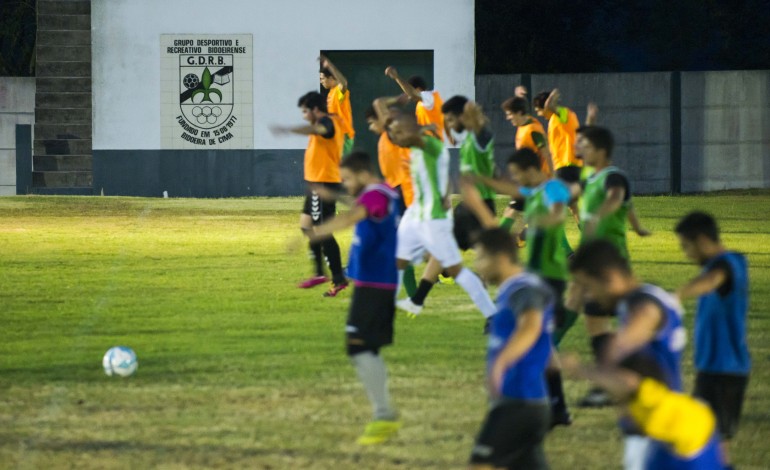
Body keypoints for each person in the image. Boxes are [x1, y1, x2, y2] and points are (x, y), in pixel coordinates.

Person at [462, 147, 574, 428]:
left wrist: (538, 223)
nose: (515, 179)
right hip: (535, 274)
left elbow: (559, 213)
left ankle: (551, 405)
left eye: (516, 173)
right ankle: (556, 407)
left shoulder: (553, 189)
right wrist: (481, 181)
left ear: (529, 169)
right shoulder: (533, 193)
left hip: (551, 275)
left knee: (545, 344)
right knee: (546, 345)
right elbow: (508, 188)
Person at [307, 151, 402, 445]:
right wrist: (332, 194)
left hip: (376, 286)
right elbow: (363, 207)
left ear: (362, 173)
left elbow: (356, 214)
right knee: (365, 347)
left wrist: (317, 232)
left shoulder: (376, 195)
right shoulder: (380, 194)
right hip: (373, 284)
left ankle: (384, 414)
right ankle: (384, 412)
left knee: (358, 345)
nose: (346, 185)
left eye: (347, 179)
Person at [569, 239, 686, 470]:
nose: (588, 298)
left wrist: (587, 367)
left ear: (609, 277)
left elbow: (643, 321)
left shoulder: (643, 304)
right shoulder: (644, 297)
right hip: (654, 420)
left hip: (657, 426)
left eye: (588, 287)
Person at [385, 113, 496, 320]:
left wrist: (446, 195)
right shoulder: (415, 150)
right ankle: (388, 308)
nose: (395, 138)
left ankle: (492, 314)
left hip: (434, 219)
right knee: (398, 260)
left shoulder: (430, 146)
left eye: (398, 133)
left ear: (410, 130)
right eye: (393, 135)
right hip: (416, 214)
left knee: (456, 270)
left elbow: (441, 166)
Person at [468, 228, 554, 470]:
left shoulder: (523, 288)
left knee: (481, 464)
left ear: (501, 257)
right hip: (529, 401)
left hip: (519, 400)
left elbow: (531, 325)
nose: (478, 265)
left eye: (481, 257)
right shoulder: (514, 288)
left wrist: (501, 363)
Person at [675, 211, 750, 470]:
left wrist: (676, 296)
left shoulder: (730, 264)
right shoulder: (718, 265)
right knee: (710, 445)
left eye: (687, 247)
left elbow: (712, 281)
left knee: (711, 444)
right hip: (713, 370)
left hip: (724, 371)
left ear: (703, 240)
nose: (687, 254)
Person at [562, 357, 725, 470]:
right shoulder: (649, 402)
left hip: (689, 455)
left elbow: (628, 382)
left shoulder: (651, 396)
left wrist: (581, 370)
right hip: (691, 446)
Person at [270, 91, 348, 297]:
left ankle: (338, 279)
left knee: (322, 230)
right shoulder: (322, 124)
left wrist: (288, 130)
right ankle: (320, 273)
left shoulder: (329, 123)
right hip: (316, 183)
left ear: (315, 109)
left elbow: (323, 129)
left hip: (325, 183)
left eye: (305, 111)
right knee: (306, 226)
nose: (304, 115)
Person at [365, 102, 418, 298]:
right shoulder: (384, 139)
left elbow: (379, 104)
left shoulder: (390, 135)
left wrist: (399, 94)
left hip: (406, 194)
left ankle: (410, 297)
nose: (371, 128)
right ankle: (413, 296)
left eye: (372, 122)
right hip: (398, 193)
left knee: (401, 248)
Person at [384, 66, 446, 141]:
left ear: (418, 89)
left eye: (408, 92)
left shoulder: (430, 97)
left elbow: (412, 94)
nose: (409, 97)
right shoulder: (420, 104)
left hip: (435, 143)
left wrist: (396, 77)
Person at [319, 55, 355, 155]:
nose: (321, 81)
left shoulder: (338, 91)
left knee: (342, 167)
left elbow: (343, 83)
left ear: (331, 78)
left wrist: (329, 65)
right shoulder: (331, 93)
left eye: (322, 79)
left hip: (343, 136)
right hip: (335, 135)